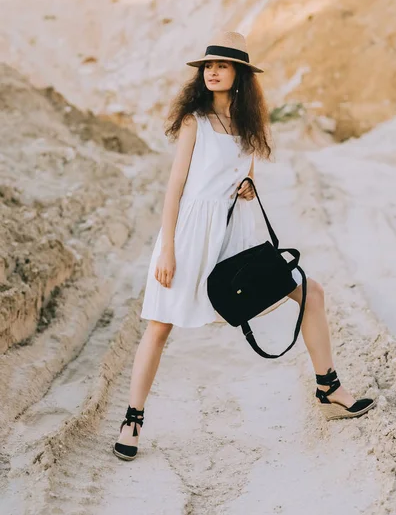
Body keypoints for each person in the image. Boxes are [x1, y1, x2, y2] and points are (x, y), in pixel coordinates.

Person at [113, 31, 376, 461]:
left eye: (223, 65)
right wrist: (167, 249)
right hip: (189, 234)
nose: (213, 72)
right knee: (159, 326)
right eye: (208, 66)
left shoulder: (249, 125)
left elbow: (241, 179)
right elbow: (175, 187)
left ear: (239, 74)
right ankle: (132, 420)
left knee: (311, 291)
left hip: (236, 235)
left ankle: (329, 389)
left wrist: (248, 189)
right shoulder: (193, 121)